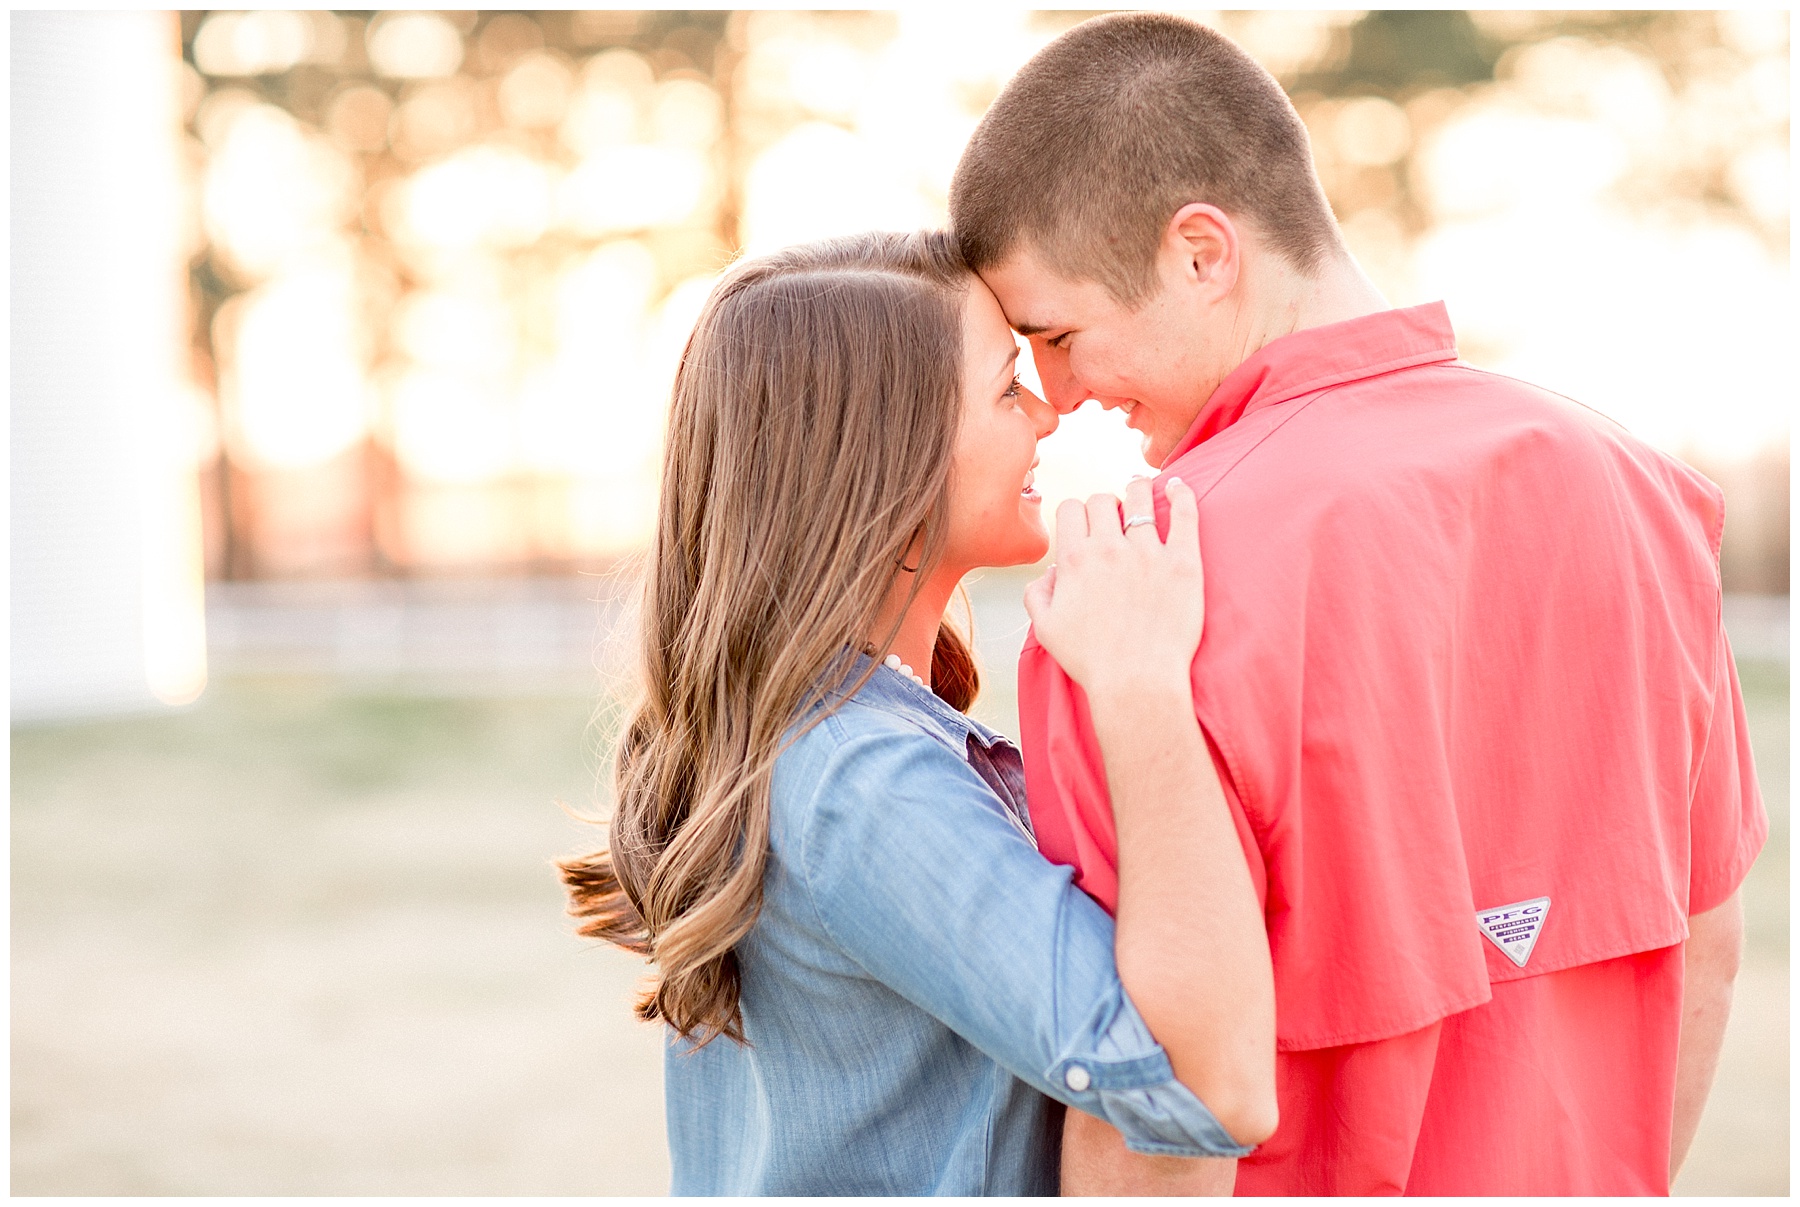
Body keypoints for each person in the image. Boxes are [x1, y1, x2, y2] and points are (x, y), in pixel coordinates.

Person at [948, 12, 1766, 1197]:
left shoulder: (1139, 590)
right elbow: (1706, 953)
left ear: (1201, 252)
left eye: (1062, 336)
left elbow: (1156, 1107)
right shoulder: (1639, 492)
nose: (1063, 396)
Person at [559, 231, 1277, 1195]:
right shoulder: (861, 782)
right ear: (886, 462)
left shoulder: (827, 743)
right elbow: (1204, 1086)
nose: (1047, 414)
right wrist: (1142, 685)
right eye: (1005, 390)